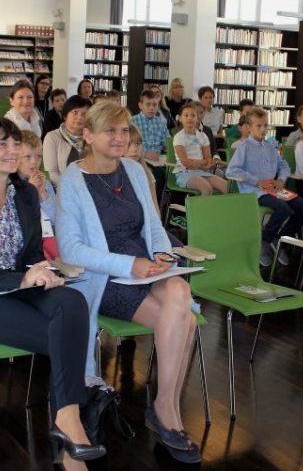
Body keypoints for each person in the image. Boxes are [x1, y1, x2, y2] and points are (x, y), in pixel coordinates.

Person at [0, 120, 102, 469]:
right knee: (67, 334)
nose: (13, 151)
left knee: (72, 301)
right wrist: (18, 279)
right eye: (2, 145)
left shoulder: (26, 193)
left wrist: (42, 271)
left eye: (16, 144)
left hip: (21, 290)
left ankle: (66, 421)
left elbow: (30, 253)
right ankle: (69, 433)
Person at [56, 102, 201, 464]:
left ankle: (165, 405)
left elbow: (153, 224)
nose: (120, 138)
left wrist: (164, 254)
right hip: (104, 278)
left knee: (180, 290)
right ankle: (166, 413)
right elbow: (70, 249)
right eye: (111, 131)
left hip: (145, 267)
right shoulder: (73, 179)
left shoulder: (134, 170)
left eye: (124, 131)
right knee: (185, 319)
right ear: (87, 136)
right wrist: (128, 265)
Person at [227, 107, 303, 268]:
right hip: (255, 192)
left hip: (274, 189)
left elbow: (284, 166)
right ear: (249, 128)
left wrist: (281, 180)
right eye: (259, 126)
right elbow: (232, 171)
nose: (263, 129)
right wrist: (257, 182)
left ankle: (279, 238)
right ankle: (265, 241)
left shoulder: (270, 146)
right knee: (283, 209)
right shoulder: (244, 147)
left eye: (265, 126)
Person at [173, 104, 227, 196]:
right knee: (207, 188)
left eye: (193, 115)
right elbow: (185, 162)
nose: (189, 118)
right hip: (184, 173)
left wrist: (200, 163)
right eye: (186, 115)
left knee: (226, 186)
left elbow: (208, 160)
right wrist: (202, 163)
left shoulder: (203, 136)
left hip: (201, 171)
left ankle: (220, 210)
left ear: (197, 119)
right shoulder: (179, 137)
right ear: (180, 119)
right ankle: (202, 210)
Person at [41, 94, 90, 188]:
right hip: (63, 191)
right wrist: (72, 187)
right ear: (65, 116)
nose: (79, 117)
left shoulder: (92, 138)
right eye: (75, 112)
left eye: (84, 114)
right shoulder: (52, 137)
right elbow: (51, 173)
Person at [130, 89, 169, 203]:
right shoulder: (133, 121)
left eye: (155, 104)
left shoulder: (161, 122)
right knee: (159, 175)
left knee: (173, 173)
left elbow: (167, 140)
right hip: (140, 159)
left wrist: (167, 147)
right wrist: (145, 152)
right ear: (140, 105)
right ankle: (151, 205)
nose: (152, 108)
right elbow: (130, 143)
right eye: (148, 104)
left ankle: (165, 207)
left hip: (159, 159)